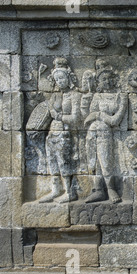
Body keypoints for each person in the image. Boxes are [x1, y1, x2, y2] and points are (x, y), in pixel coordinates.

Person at [84, 59, 127, 204]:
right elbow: (88, 116)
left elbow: (115, 121)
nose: (107, 82)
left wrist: (99, 115)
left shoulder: (120, 97)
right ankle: (98, 190)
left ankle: (110, 188)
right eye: (103, 79)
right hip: (92, 132)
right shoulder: (97, 96)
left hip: (105, 132)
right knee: (92, 162)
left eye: (109, 79)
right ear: (99, 82)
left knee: (106, 161)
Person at [39, 57, 80, 204]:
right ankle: (55, 189)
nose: (60, 81)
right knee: (52, 162)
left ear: (68, 78)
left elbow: (75, 117)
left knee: (64, 162)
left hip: (65, 133)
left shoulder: (74, 95)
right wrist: (52, 112)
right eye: (57, 79)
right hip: (52, 132)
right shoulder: (55, 95)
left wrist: (60, 116)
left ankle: (69, 192)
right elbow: (50, 109)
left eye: (62, 78)